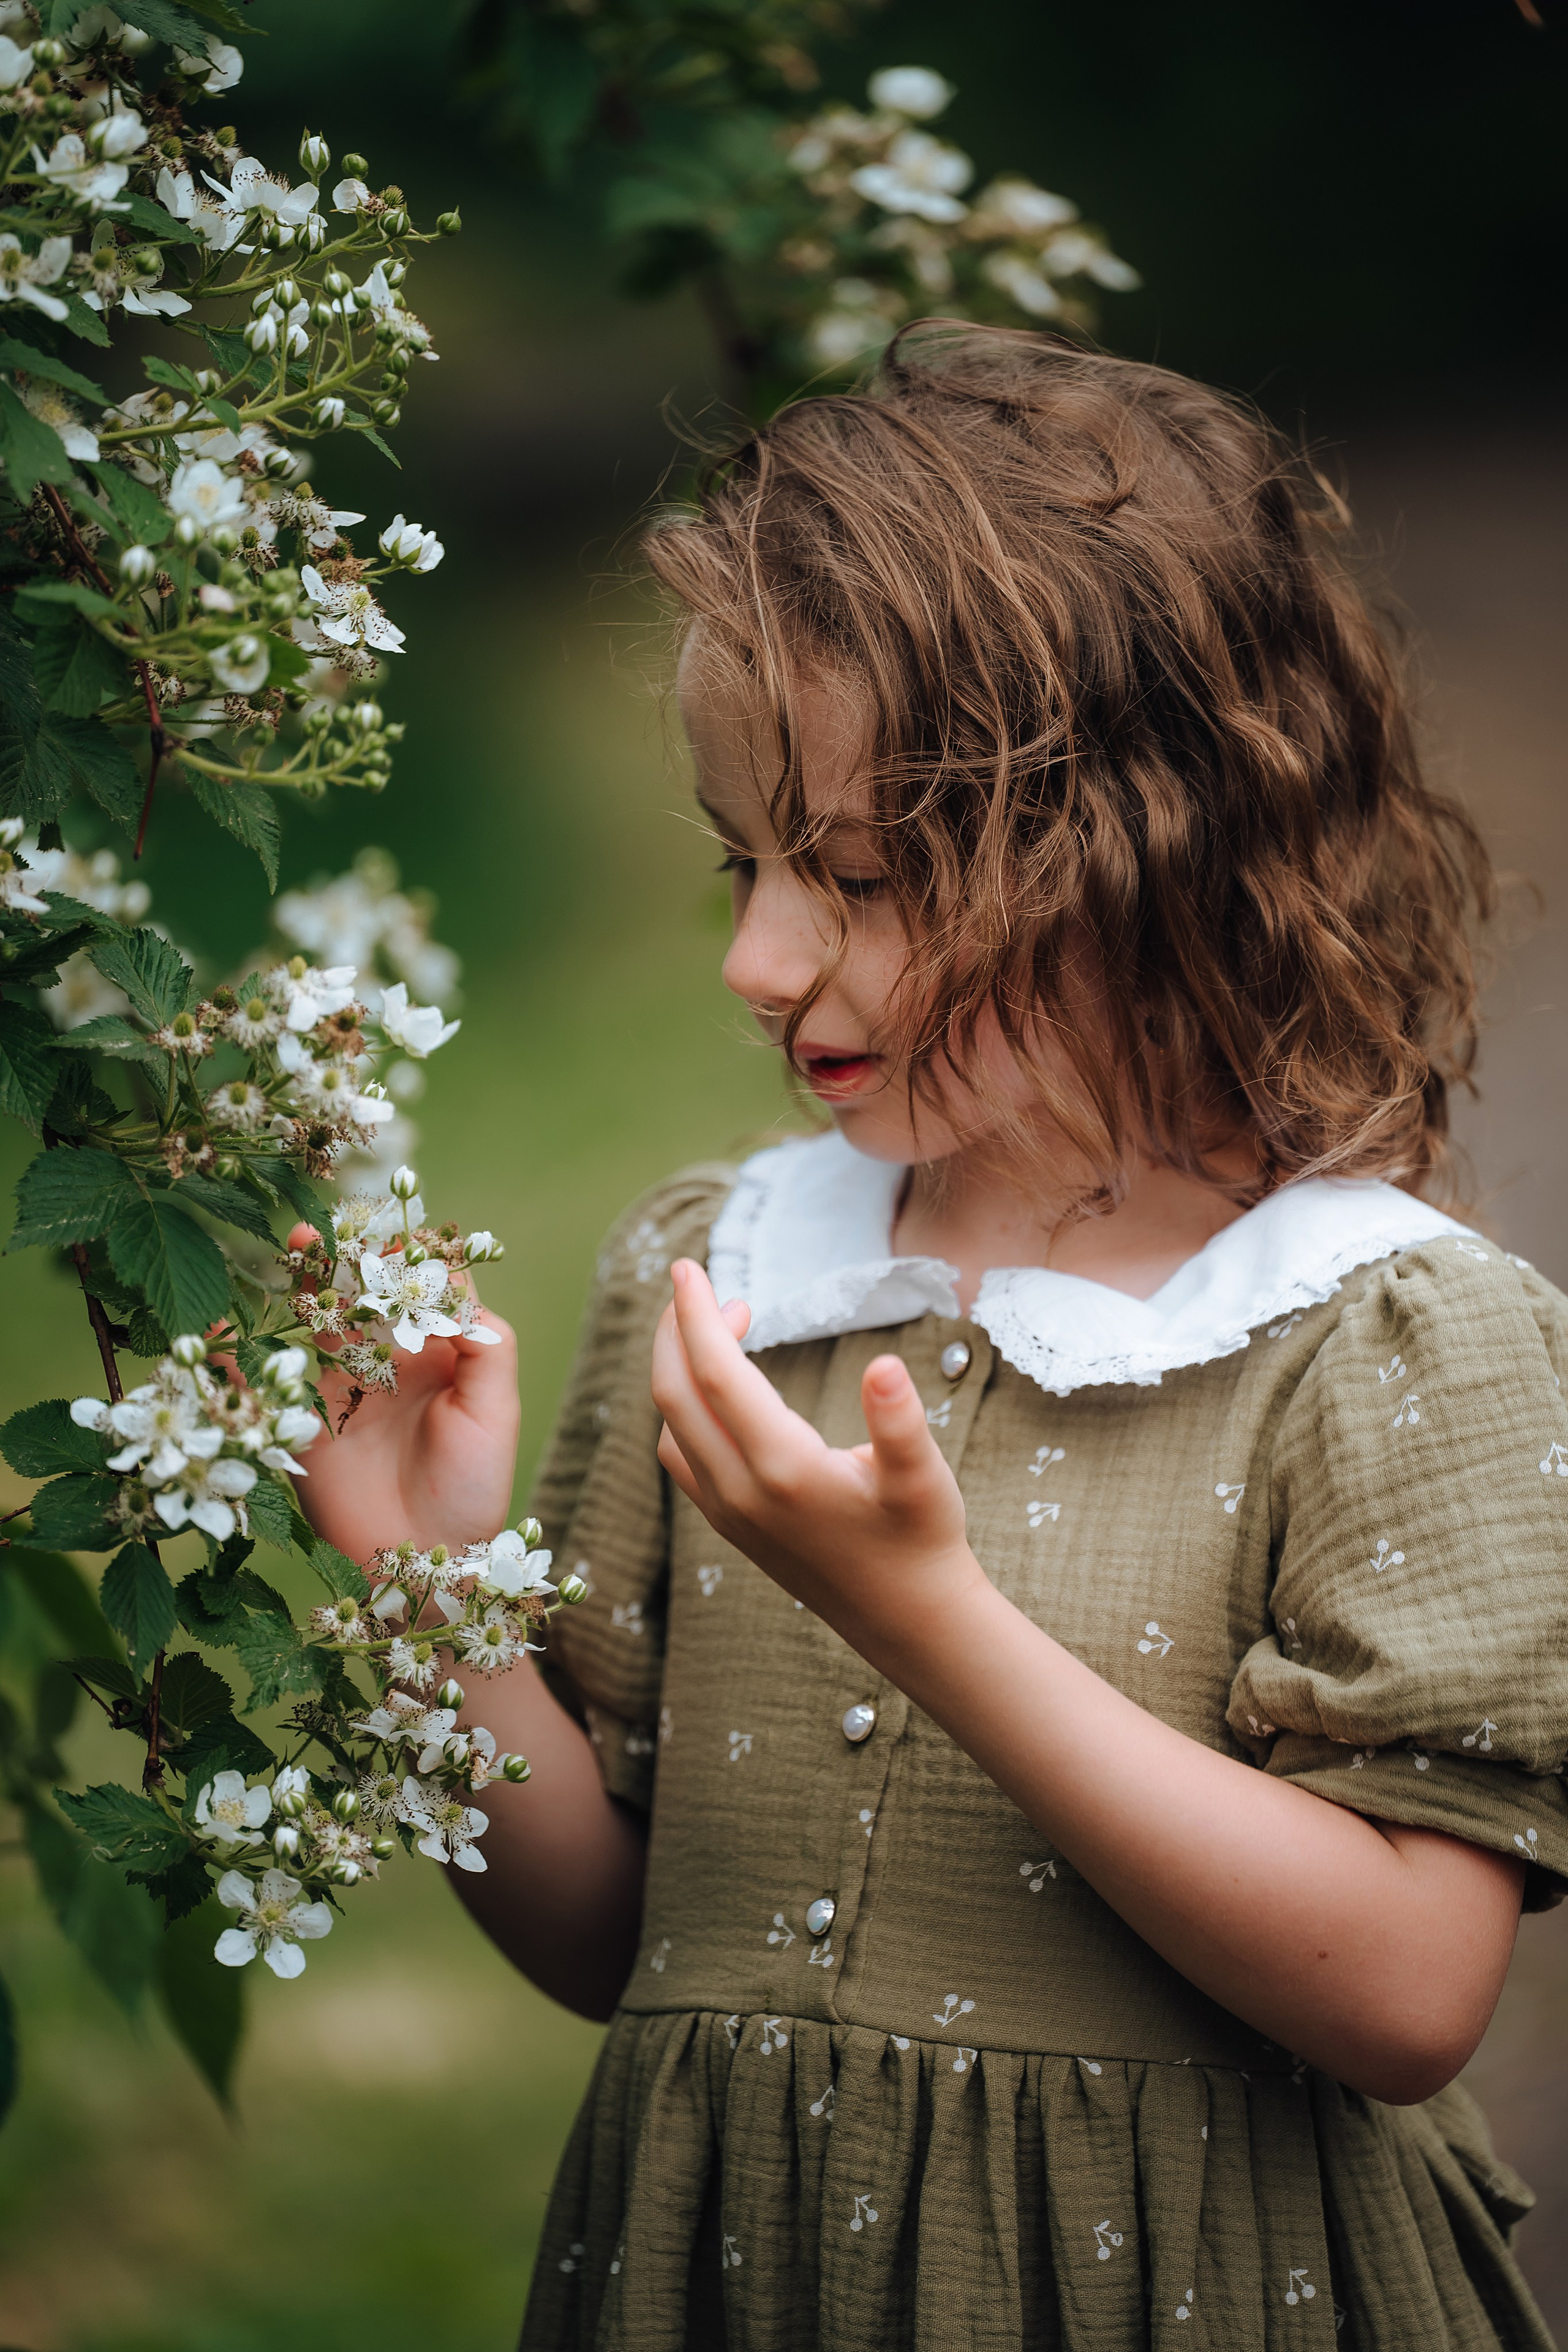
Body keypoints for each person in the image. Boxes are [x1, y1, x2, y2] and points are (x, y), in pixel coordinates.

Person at [298, 326, 1568, 2351]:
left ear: (1158, 846)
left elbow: (1410, 1996)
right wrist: (429, 1589)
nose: (756, 955)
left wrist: (930, 1623)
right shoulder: (724, 1277)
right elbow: (618, 1945)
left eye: (863, 875)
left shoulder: (1378, 1328)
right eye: (743, 858)